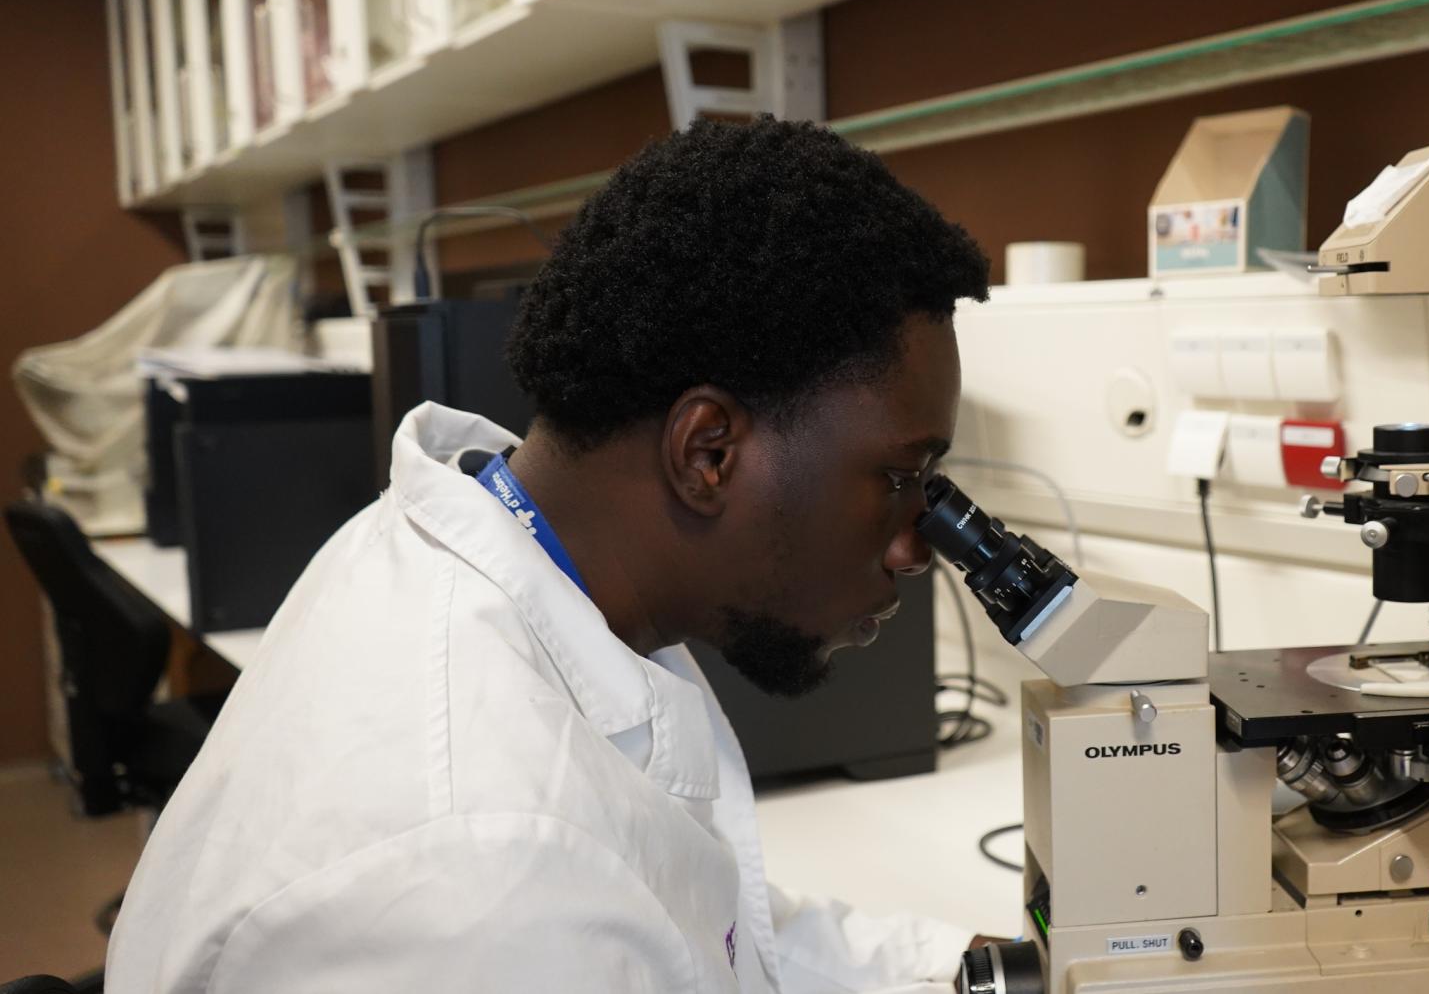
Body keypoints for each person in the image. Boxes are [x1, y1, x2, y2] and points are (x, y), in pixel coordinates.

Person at [105, 117, 994, 992]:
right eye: (899, 476)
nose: (918, 546)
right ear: (708, 453)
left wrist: (972, 968)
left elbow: (719, 933)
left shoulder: (502, 561)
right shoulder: (486, 874)